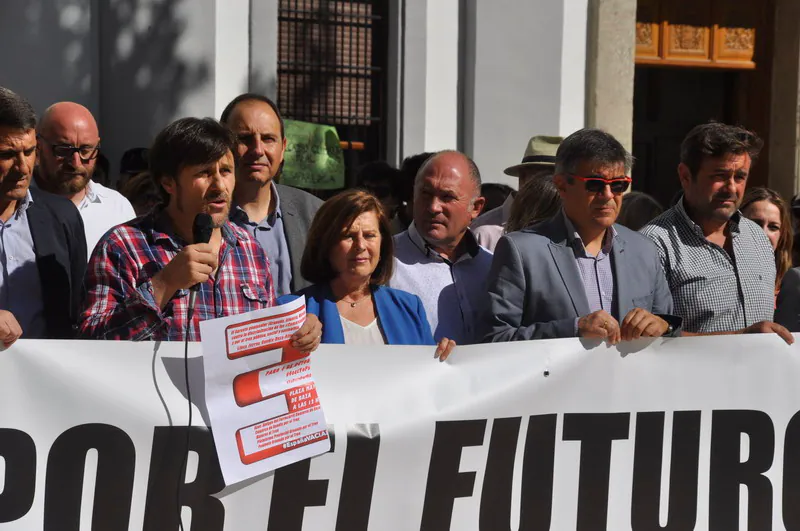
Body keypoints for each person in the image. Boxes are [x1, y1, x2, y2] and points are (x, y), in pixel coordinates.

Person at [78, 117, 322, 347]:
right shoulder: (122, 246)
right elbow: (95, 343)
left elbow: (262, 347)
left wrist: (295, 332)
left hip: (232, 392)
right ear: (169, 183)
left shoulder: (250, 250)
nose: (219, 186)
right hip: (154, 392)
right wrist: (164, 284)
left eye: (226, 171)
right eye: (204, 173)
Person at [483, 128, 680, 342]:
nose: (607, 196)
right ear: (561, 185)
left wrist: (664, 326)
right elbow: (495, 339)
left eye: (618, 185)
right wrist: (573, 329)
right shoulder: (522, 251)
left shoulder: (644, 250)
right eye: (594, 185)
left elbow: (666, 328)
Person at [640, 122, 792, 342]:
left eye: (740, 177)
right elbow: (644, 341)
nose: (731, 188)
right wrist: (741, 337)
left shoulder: (757, 237)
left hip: (762, 375)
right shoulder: (654, 244)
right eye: (719, 176)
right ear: (685, 176)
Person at [286, 189, 455, 358]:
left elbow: (424, 376)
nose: (360, 245)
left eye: (369, 235)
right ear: (325, 245)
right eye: (348, 236)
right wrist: (292, 344)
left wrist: (443, 356)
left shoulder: (409, 307)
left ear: (382, 244)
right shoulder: (292, 311)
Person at [0, 87, 87, 339]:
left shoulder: (62, 217)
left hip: (40, 376)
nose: (23, 167)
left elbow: (78, 312)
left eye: (29, 151)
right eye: (6, 154)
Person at [221, 93, 323, 297]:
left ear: (283, 148)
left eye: (268, 139)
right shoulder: (201, 215)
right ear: (222, 145)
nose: (258, 149)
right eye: (244, 139)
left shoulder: (316, 214)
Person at [390, 150, 491, 344]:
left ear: (476, 208)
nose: (433, 207)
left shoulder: (494, 268)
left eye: (447, 197)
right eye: (426, 194)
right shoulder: (383, 261)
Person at [35, 102, 135, 256]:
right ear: (38, 145)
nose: (76, 162)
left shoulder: (117, 208)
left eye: (86, 150)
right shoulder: (12, 205)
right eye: (63, 150)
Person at [472, 135, 562, 251]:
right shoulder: (485, 232)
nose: (554, 185)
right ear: (523, 177)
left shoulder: (573, 229)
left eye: (562, 179)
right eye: (546, 177)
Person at [741, 186, 793, 298]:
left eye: (773, 227)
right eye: (755, 223)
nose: (763, 233)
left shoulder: (791, 288)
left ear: (782, 236)